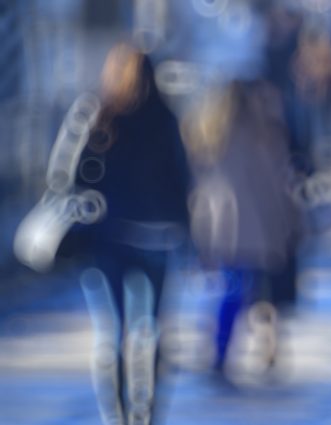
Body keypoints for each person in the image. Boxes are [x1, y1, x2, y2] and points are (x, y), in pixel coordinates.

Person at [75, 42, 192, 424]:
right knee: (152, 328)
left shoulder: (102, 117)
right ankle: (150, 409)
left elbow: (73, 176)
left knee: (113, 330)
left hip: (111, 237)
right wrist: (187, 232)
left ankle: (117, 411)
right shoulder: (165, 117)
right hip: (159, 236)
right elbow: (182, 178)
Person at [183, 79, 299, 382]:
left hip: (218, 223)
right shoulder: (260, 132)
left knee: (227, 288)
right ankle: (228, 353)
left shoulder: (206, 131)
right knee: (248, 292)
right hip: (254, 225)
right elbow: (274, 181)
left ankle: (218, 349)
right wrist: (286, 223)